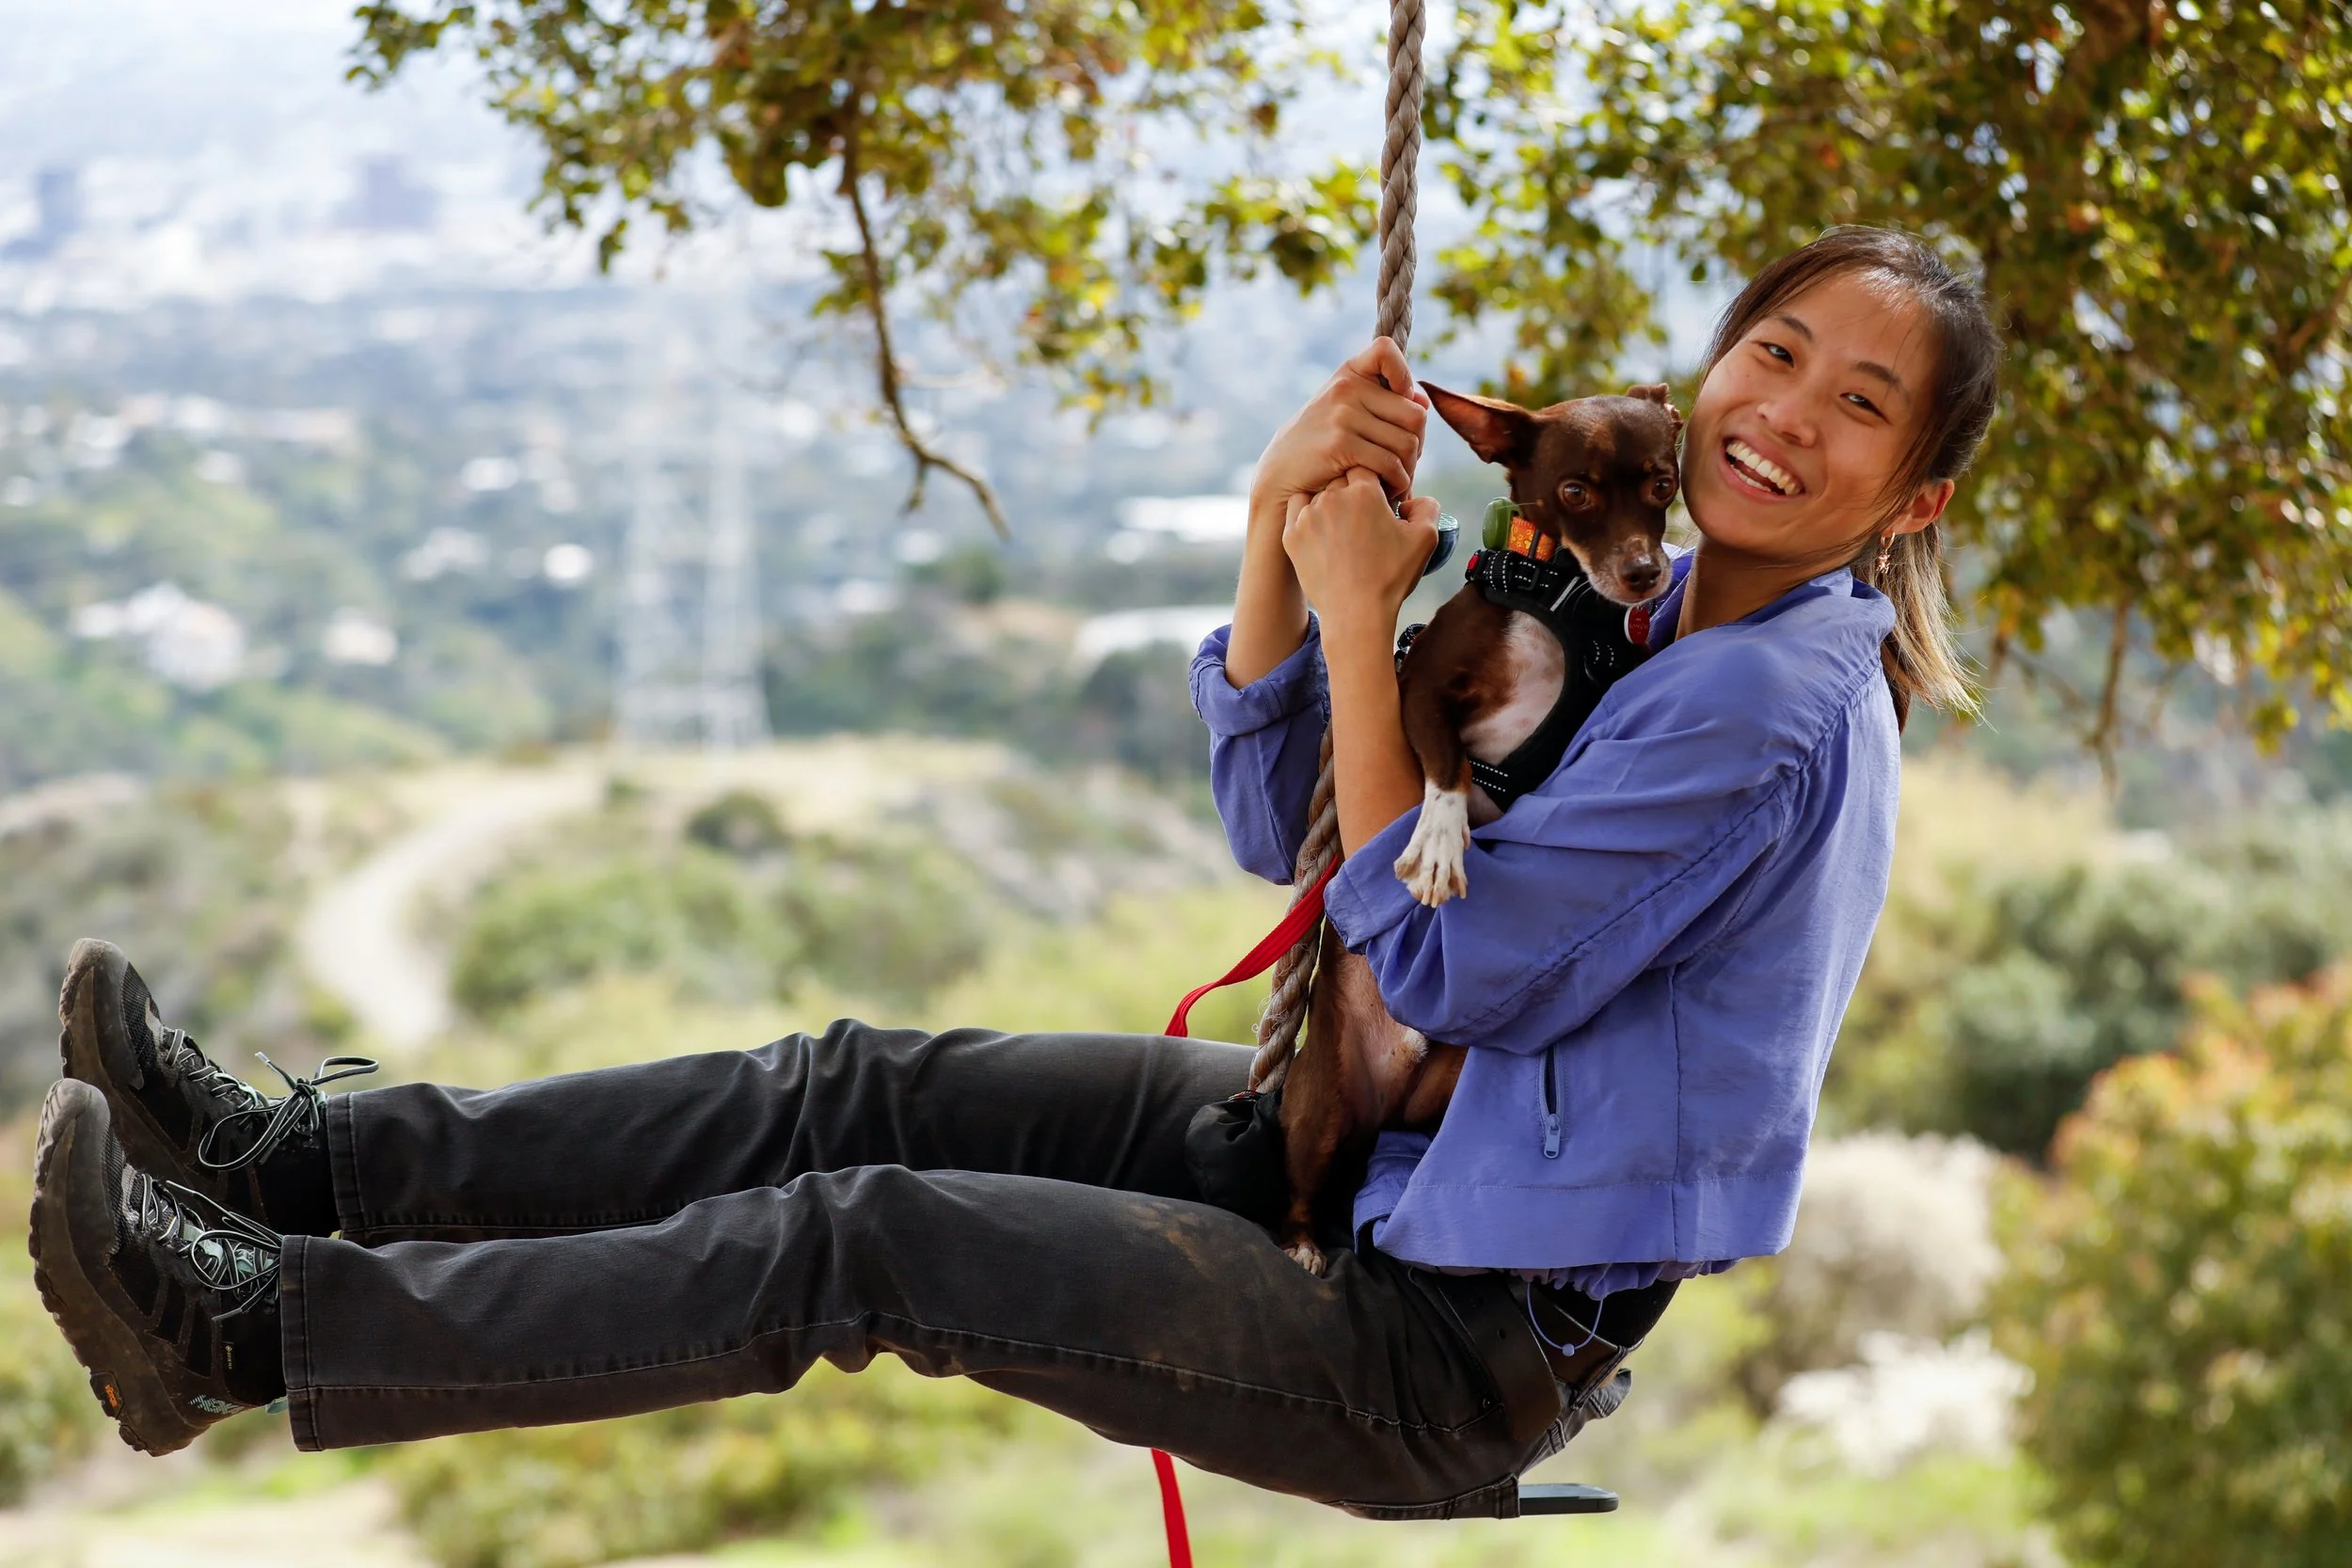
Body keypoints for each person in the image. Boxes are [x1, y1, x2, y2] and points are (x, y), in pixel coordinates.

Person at [27, 225, 1997, 1518]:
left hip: (1445, 1335)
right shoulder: (1638, 616)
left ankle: (250, 1327)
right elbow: (1299, 842)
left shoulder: (1770, 708)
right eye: (1774, 350)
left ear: (1904, 497)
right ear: (1712, 361)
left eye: (1854, 404)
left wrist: (1341, 607)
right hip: (1371, 1157)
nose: (1781, 414)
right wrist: (1274, 551)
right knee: (850, 1086)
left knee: (867, 1235)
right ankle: (296, 1170)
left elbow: (1453, 967)